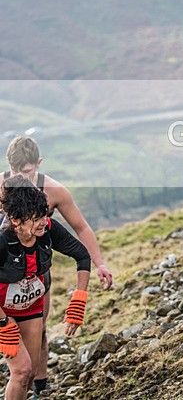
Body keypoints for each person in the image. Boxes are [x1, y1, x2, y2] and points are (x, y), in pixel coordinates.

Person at [0, 136, 112, 397]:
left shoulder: (55, 192)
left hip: (35, 272)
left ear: (38, 164)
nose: (22, 178)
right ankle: (18, 372)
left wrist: (99, 265)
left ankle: (39, 385)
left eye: (27, 172)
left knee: (37, 336)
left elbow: (81, 230)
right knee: (18, 362)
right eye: (16, 172)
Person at [0, 176, 90, 400]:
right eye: (35, 218)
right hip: (1, 310)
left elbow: (82, 256)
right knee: (20, 371)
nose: (42, 222)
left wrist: (79, 299)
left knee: (28, 375)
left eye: (43, 215)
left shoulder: (47, 228)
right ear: (16, 221)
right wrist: (3, 324)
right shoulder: (2, 240)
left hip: (30, 307)